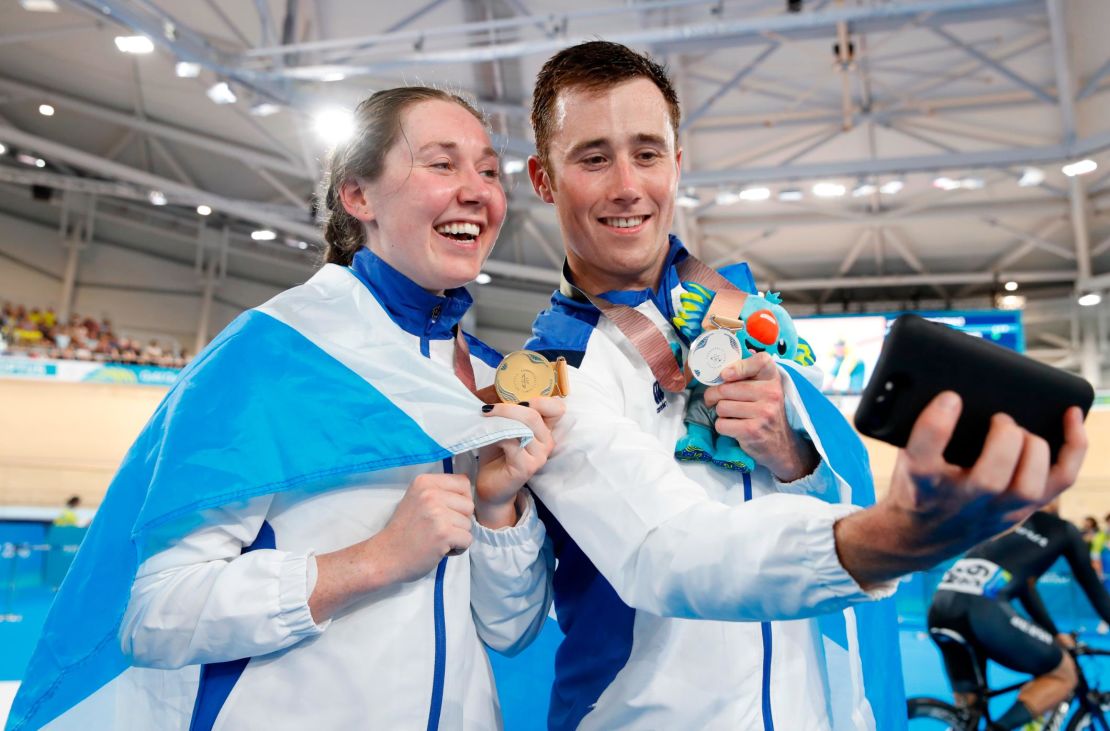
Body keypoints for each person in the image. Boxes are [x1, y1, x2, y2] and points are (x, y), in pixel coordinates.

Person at [520, 41, 1088, 730]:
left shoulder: (746, 310)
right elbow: (669, 554)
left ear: (678, 162)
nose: (626, 185)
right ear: (544, 179)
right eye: (592, 157)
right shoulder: (553, 374)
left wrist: (793, 454)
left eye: (647, 152)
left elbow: (835, 487)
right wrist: (901, 537)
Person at [9, 87, 562, 731]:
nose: (478, 191)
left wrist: (497, 508)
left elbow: (512, 630)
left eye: (489, 171)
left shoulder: (491, 384)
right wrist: (374, 559)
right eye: (442, 164)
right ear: (358, 197)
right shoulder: (270, 354)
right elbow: (154, 614)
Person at [927, 501, 1110, 730]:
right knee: (1064, 675)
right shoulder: (1063, 529)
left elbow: (1026, 588)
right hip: (981, 611)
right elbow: (1096, 592)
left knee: (969, 712)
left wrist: (1053, 633)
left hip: (940, 608)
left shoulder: (1004, 518)